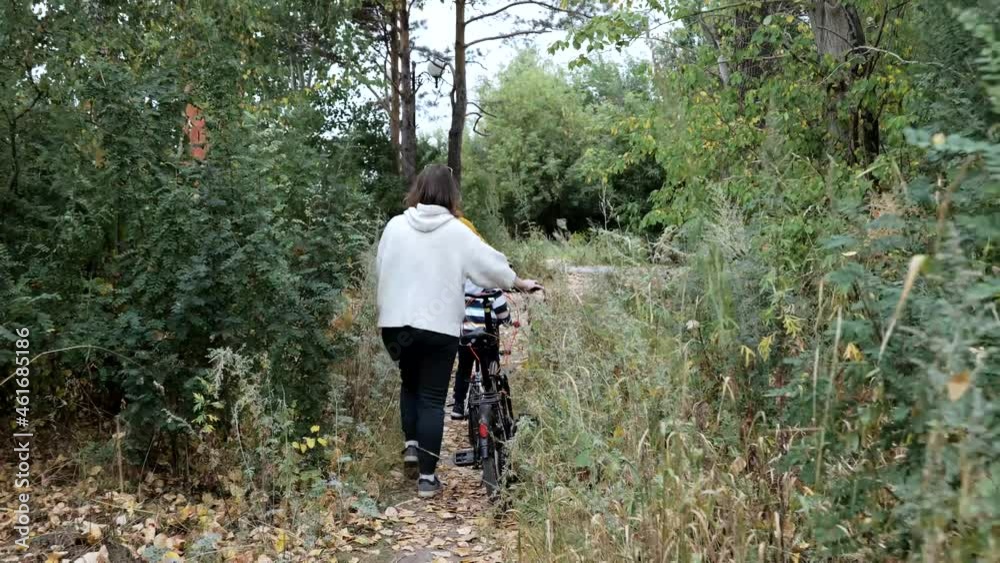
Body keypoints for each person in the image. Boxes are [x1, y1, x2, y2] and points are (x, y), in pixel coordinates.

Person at [375, 164, 541, 498]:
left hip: (395, 327)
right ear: (451, 195)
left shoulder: (394, 226)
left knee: (409, 382)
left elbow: (381, 267)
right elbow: (490, 266)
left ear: (418, 191)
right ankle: (426, 478)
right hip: (436, 330)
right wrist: (521, 283)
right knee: (433, 399)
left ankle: (411, 446)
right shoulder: (456, 231)